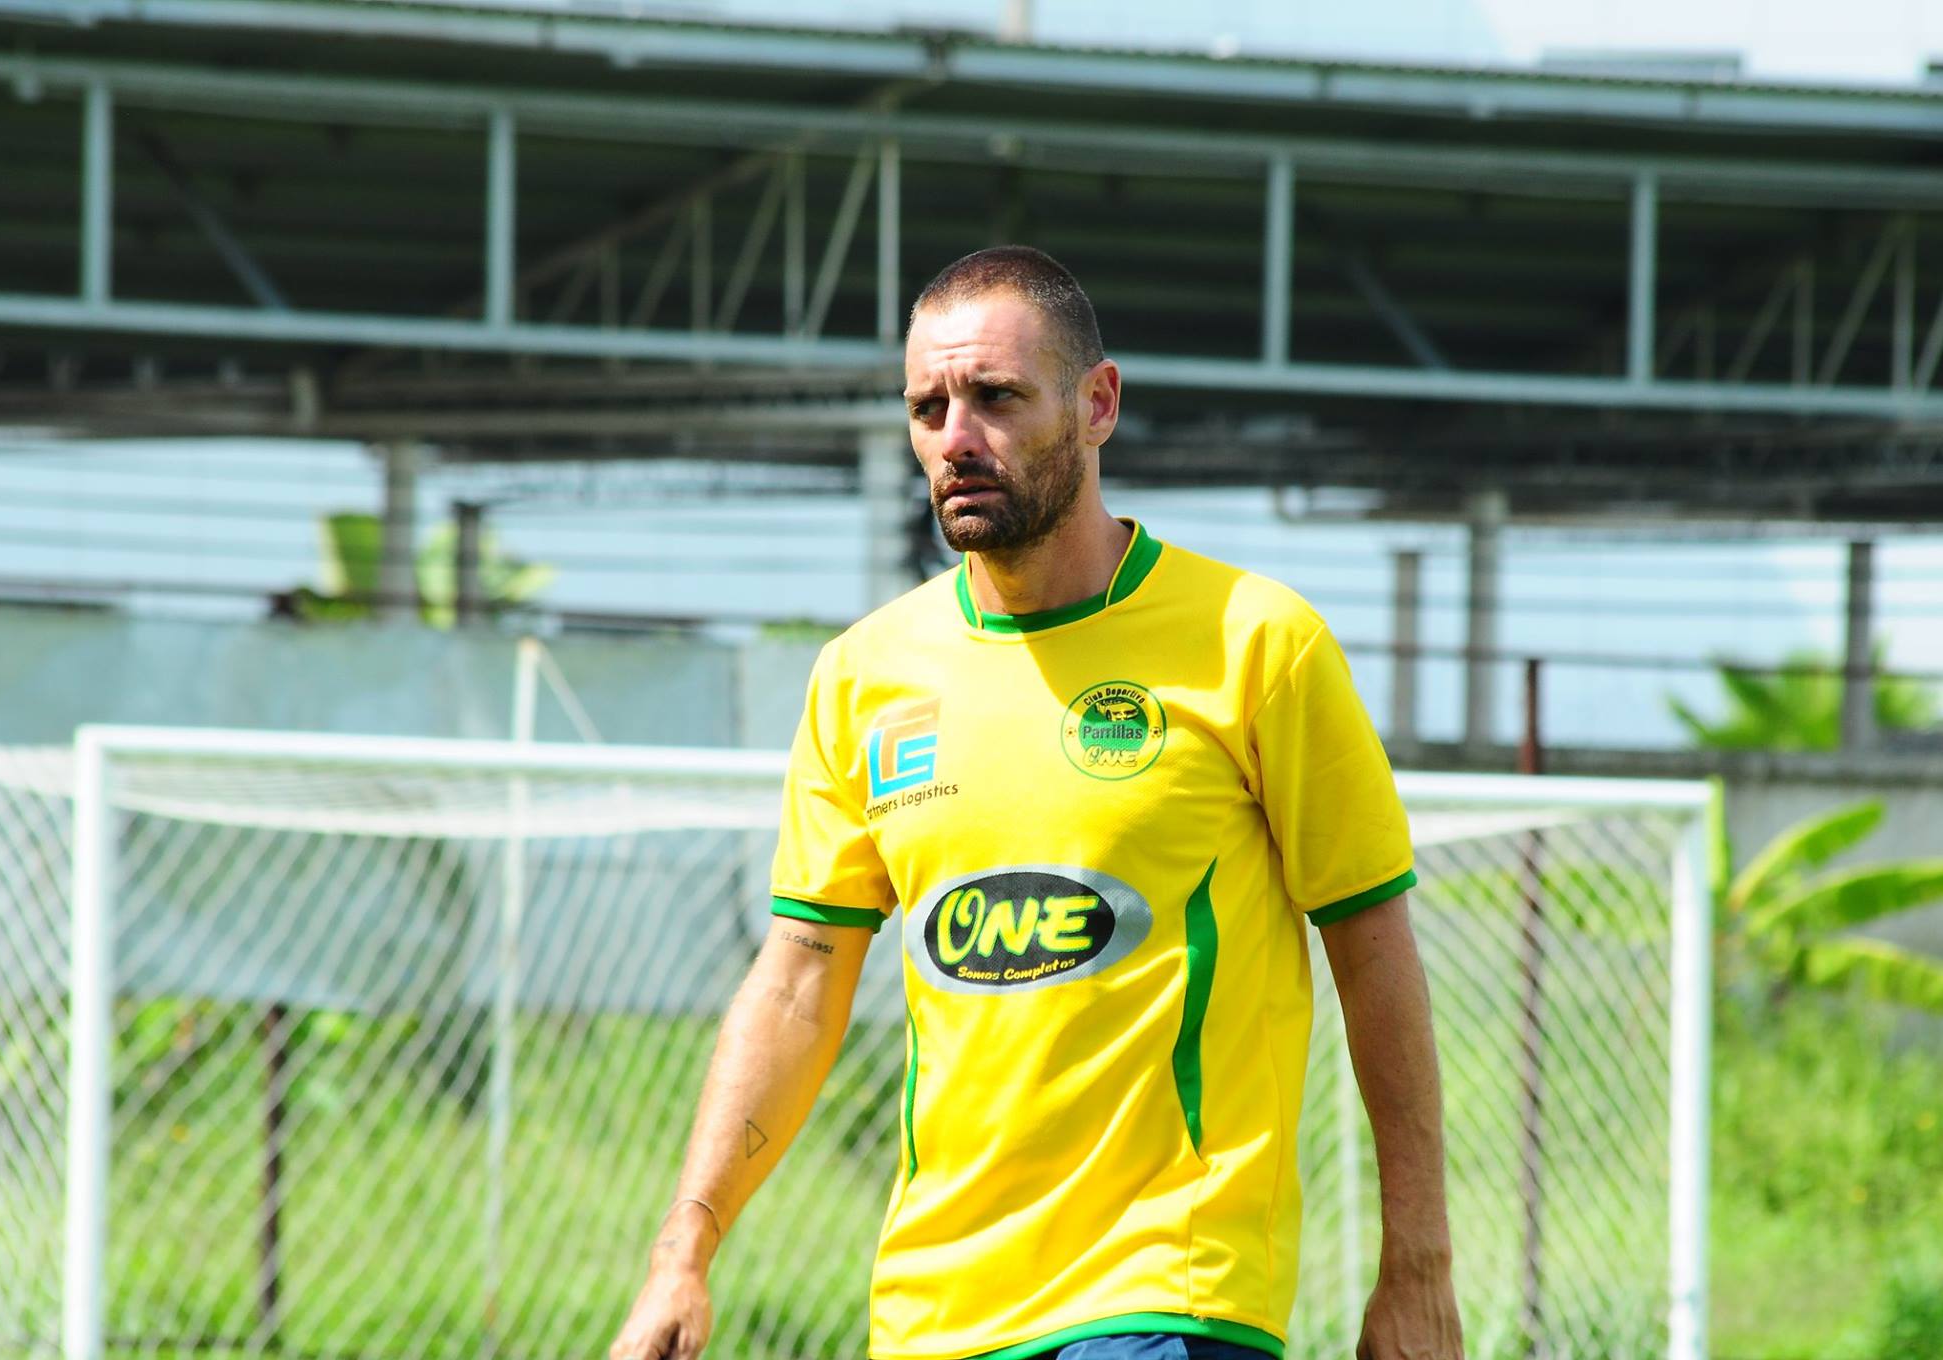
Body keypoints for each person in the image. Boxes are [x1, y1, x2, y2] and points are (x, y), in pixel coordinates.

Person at [608, 246, 1462, 1360]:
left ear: (1095, 403)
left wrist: (1417, 1262)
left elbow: (1371, 946)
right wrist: (684, 1248)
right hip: (929, 1314)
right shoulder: (865, 673)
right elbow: (800, 978)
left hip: (1164, 1294)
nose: (954, 437)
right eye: (927, 406)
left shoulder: (1258, 644)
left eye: (994, 397)